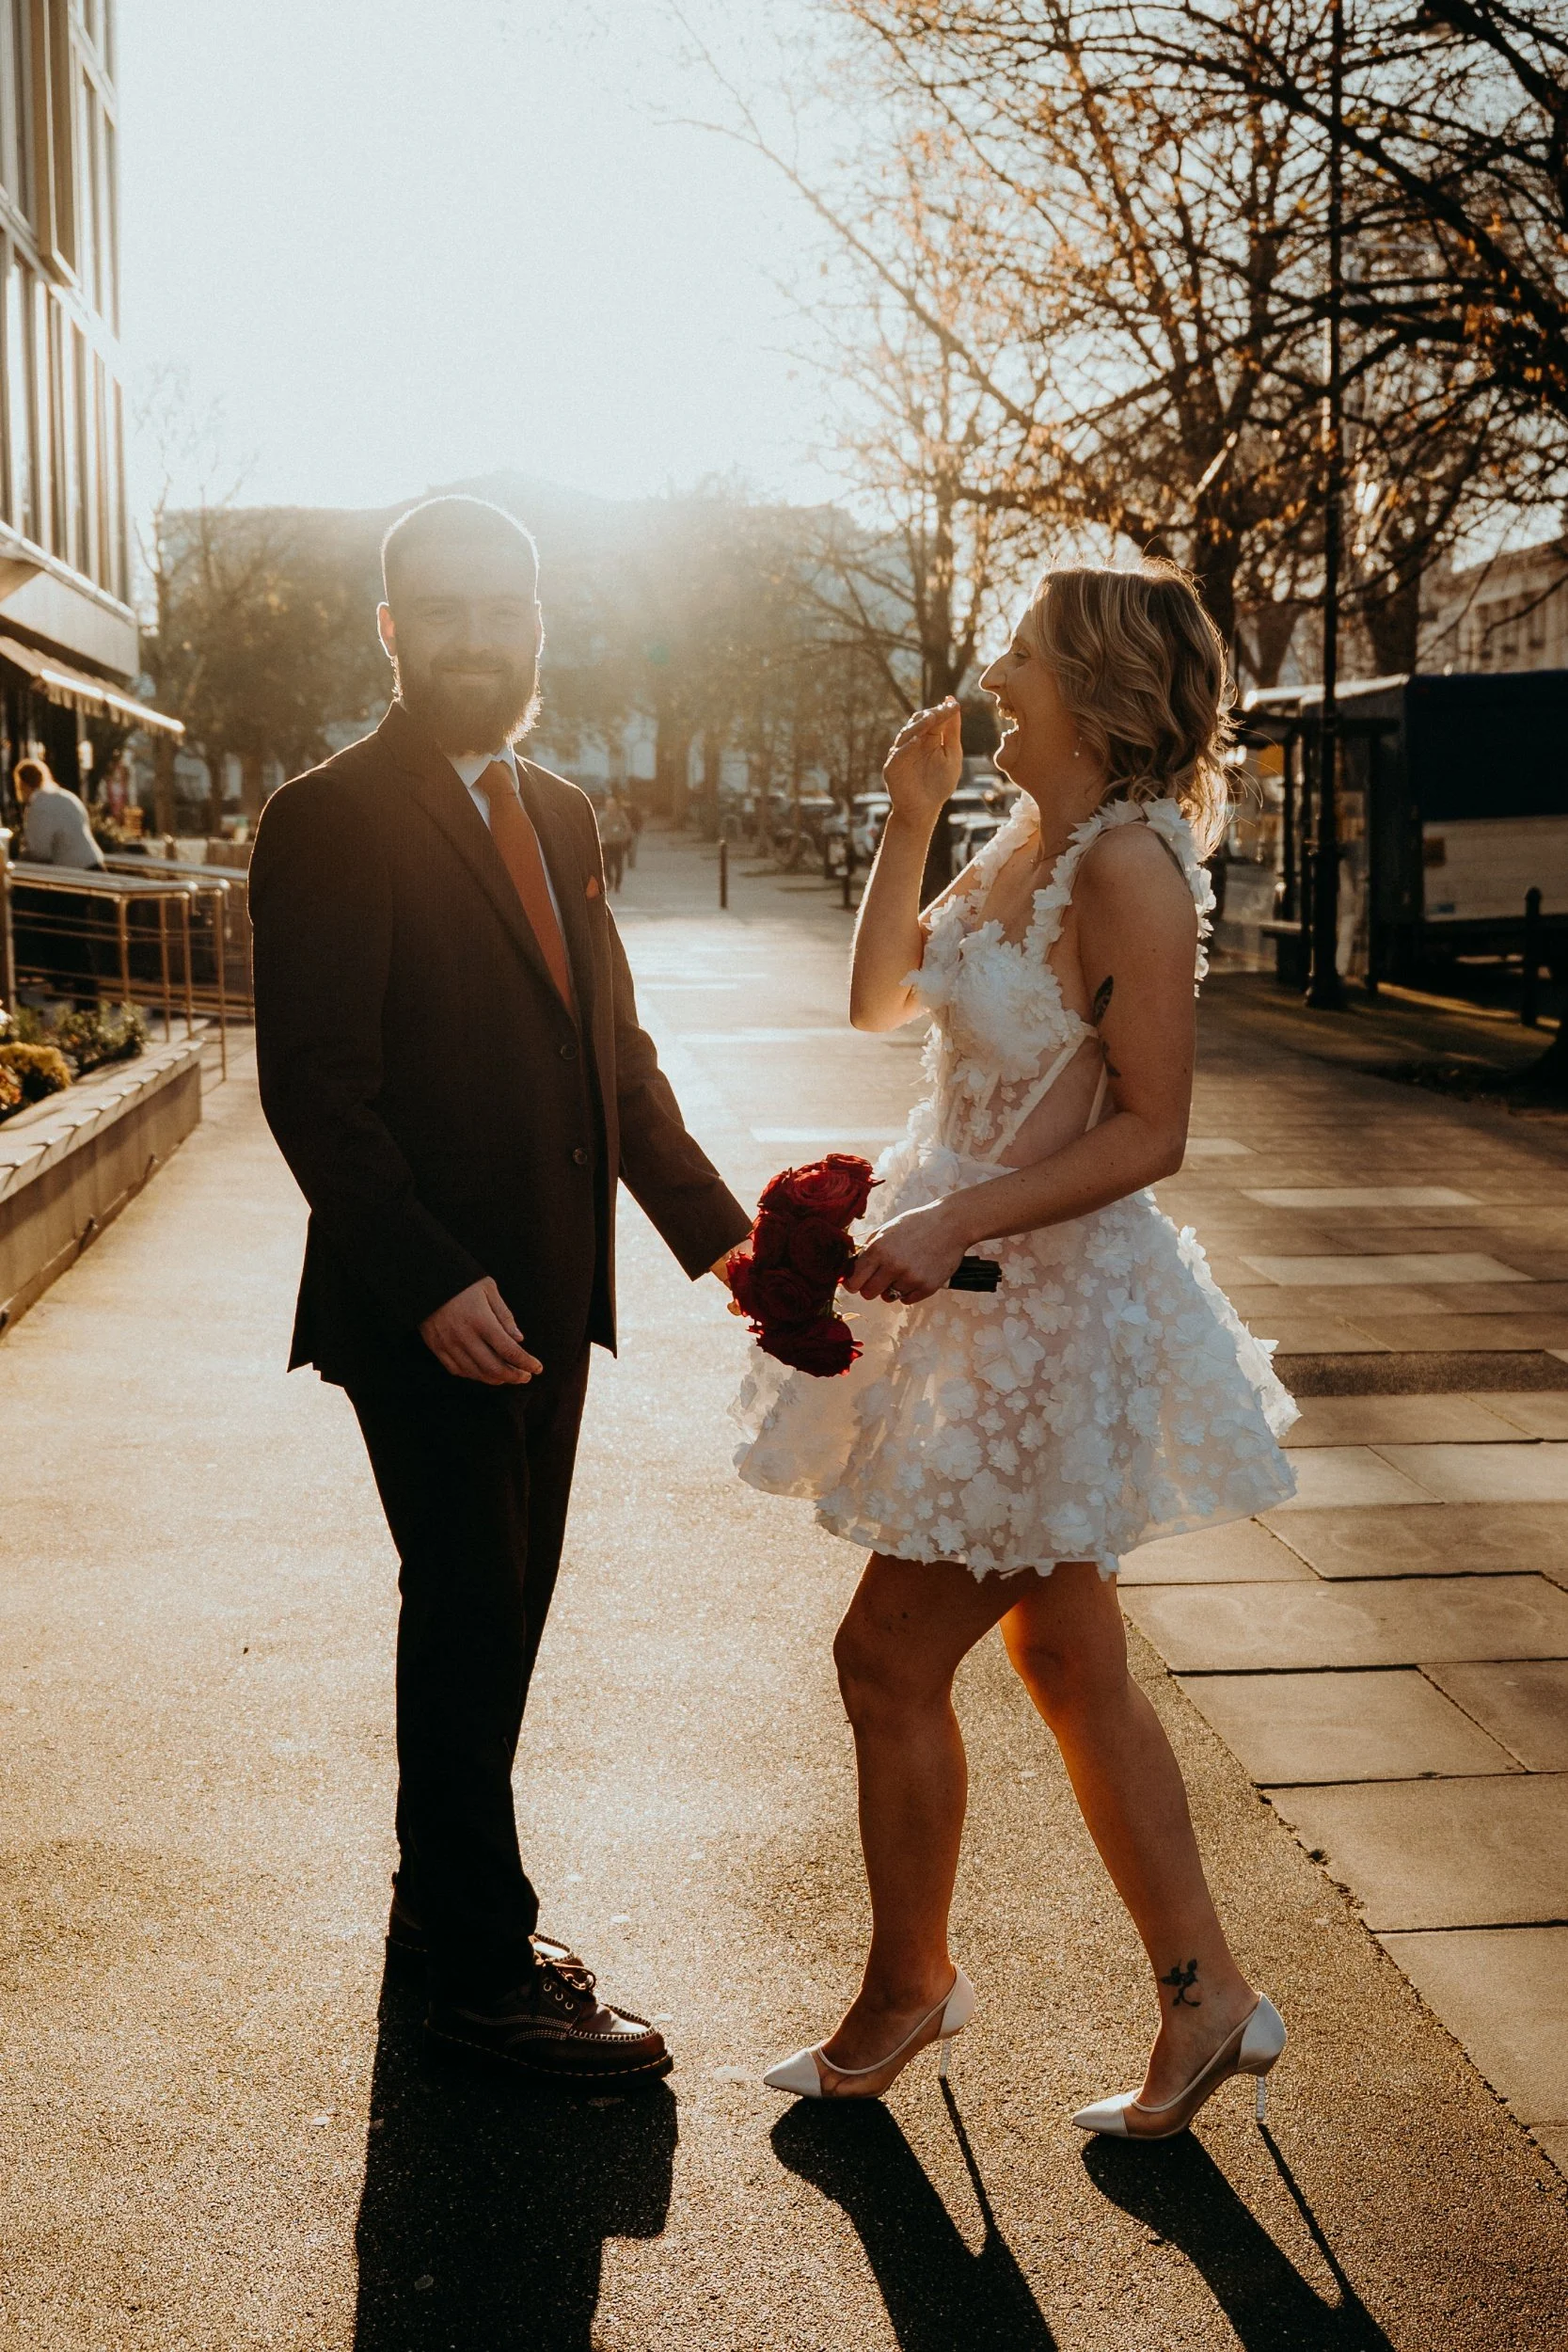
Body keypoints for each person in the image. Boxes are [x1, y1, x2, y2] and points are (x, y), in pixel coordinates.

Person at [736, 560, 1296, 2136]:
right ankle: (1208, 2000)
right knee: (1065, 1659)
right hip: (974, 1301)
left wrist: (952, 1226)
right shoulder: (1025, 841)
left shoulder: (1129, 864)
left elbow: (1154, 1128)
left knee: (882, 1658)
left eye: (1023, 649)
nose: (993, 664)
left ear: (1094, 689)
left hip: (1040, 1313)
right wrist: (908, 811)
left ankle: (910, 1986)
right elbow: (874, 1004)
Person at [249, 496, 752, 2087]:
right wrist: (428, 1280)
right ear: (394, 631)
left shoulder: (557, 807)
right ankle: (478, 1978)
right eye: (443, 612)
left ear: (537, 626)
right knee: (469, 1619)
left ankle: (442, 1924)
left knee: (503, 1618)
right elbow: (317, 1090)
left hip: (554, 1301)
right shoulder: (327, 816)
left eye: (503, 611)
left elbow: (609, 1048)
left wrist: (725, 1240)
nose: (478, 638)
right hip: (434, 1314)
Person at [12, 755, 107, 1008]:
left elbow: (39, 851)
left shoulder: (38, 805)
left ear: (22, 784)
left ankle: (75, 989)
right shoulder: (64, 796)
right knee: (74, 932)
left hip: (70, 874)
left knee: (64, 932)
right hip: (92, 866)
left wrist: (18, 856)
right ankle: (78, 990)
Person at [598, 790, 632, 893]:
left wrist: (625, 838)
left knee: (618, 865)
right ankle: (610, 881)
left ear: (616, 806)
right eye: (608, 805)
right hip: (607, 844)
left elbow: (627, 827)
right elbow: (598, 828)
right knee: (606, 864)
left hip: (618, 844)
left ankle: (617, 885)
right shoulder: (603, 816)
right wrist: (598, 839)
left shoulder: (620, 815)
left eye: (612, 805)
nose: (610, 807)